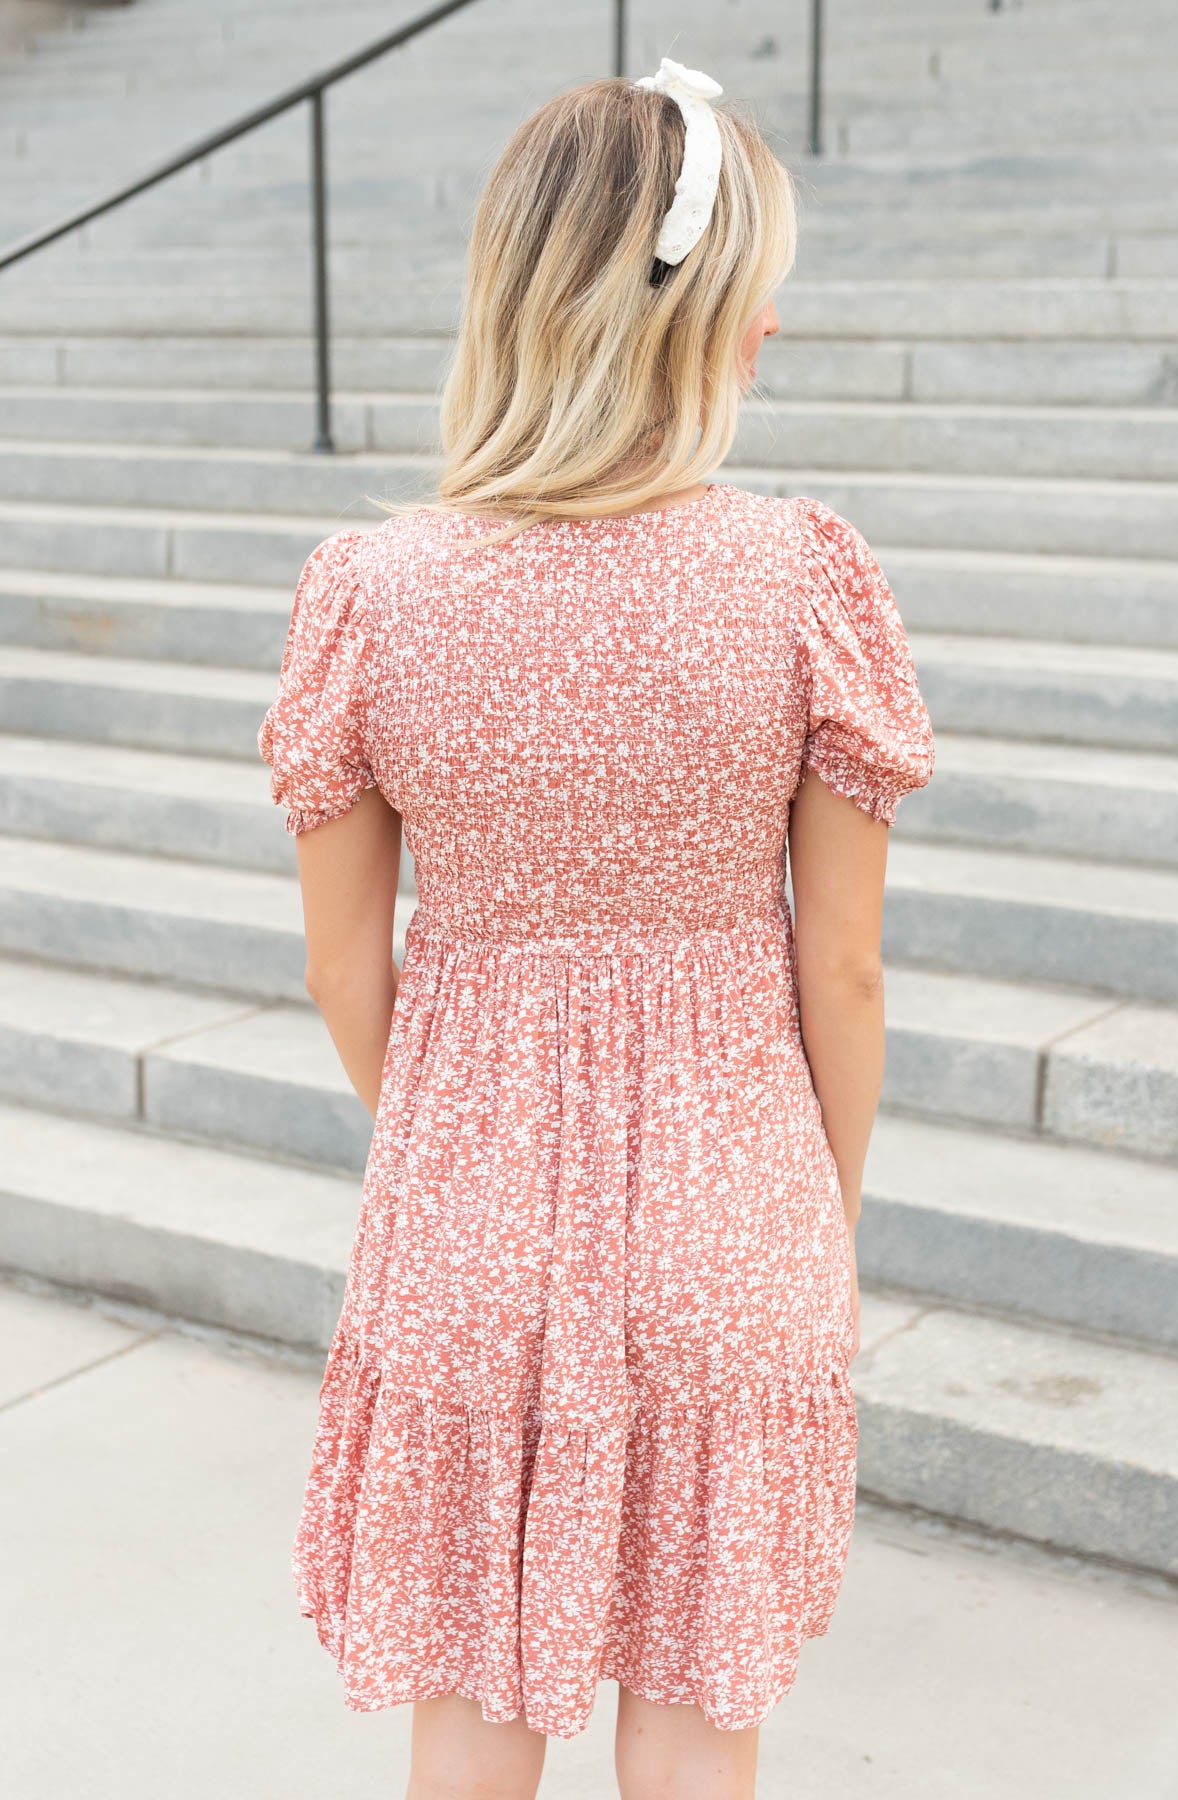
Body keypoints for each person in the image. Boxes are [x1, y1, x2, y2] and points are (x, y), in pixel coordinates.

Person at [258, 55, 935, 1800]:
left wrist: (466, 1129)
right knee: (700, 1718)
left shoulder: (369, 592)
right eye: (751, 290)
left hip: (466, 1213)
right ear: (704, 324)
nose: (771, 322)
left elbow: (348, 965)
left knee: (468, 1724)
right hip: (733, 1197)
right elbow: (838, 967)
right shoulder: (802, 574)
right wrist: (816, 1210)